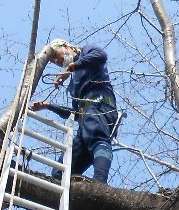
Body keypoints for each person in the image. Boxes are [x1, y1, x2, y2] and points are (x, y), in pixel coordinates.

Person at [29, 42, 117, 183]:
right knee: (59, 172)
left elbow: (101, 55)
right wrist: (49, 106)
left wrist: (73, 67)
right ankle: (73, 197)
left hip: (99, 105)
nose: (57, 62)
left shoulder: (87, 51)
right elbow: (76, 113)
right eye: (53, 62)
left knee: (96, 137)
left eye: (56, 56)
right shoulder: (75, 85)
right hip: (86, 119)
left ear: (66, 46)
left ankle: (100, 183)